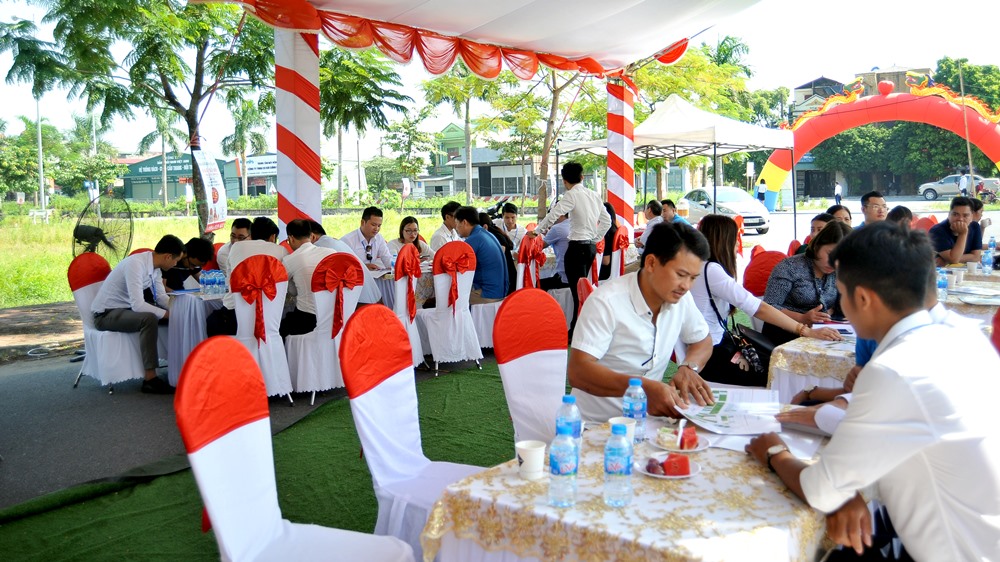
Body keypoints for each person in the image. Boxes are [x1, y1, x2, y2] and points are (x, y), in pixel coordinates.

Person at [747, 222, 1000, 561]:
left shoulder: (895, 369)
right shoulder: (964, 335)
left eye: (841, 292)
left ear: (863, 298)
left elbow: (820, 491)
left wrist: (774, 451)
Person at [568, 221, 715, 422]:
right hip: (598, 426)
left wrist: (689, 367)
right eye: (681, 275)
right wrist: (641, 387)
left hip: (648, 423)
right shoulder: (606, 302)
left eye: (693, 278)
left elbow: (702, 341)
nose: (686, 286)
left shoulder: (681, 298)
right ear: (651, 263)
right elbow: (579, 372)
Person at [692, 215, 841, 387]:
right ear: (724, 242)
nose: (737, 247)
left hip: (711, 347)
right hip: (711, 353)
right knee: (779, 376)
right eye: (735, 241)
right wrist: (804, 330)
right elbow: (759, 308)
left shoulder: (704, 268)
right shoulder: (712, 271)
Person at [91, 234, 184, 394]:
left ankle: (180, 367)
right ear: (168, 257)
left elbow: (161, 297)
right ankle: (150, 379)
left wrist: (179, 310)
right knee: (149, 318)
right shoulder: (135, 264)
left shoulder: (155, 269)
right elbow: (138, 305)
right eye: (176, 260)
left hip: (125, 311)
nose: (176, 264)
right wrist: (167, 314)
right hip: (106, 314)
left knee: (171, 316)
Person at [529, 162, 612, 330]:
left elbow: (554, 214)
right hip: (590, 248)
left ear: (565, 180)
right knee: (583, 291)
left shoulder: (571, 195)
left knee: (578, 293)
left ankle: (577, 330)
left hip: (576, 248)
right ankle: (581, 327)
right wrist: (595, 238)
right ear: (582, 177)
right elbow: (607, 221)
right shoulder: (594, 195)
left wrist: (537, 231)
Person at [762, 221, 852, 346]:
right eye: (831, 254)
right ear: (817, 246)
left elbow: (843, 308)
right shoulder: (789, 267)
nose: (835, 263)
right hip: (784, 337)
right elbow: (768, 306)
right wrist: (801, 318)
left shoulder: (840, 271)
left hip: (824, 336)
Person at [207, 217, 288, 337]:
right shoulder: (281, 251)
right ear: (273, 237)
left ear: (252, 234)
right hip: (267, 315)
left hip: (234, 313)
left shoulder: (235, 248)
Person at [280, 219, 335, 337]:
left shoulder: (289, 260)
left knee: (280, 328)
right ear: (311, 236)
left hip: (308, 319)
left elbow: (293, 292)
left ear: (291, 238)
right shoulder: (332, 253)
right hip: (334, 316)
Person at [310, 220, 382, 304]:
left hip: (361, 303)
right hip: (374, 297)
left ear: (312, 237)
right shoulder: (332, 242)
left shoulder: (320, 247)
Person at [454, 206, 508, 303]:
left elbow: (457, 265)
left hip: (487, 294)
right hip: (501, 291)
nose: (456, 228)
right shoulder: (488, 234)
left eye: (457, 224)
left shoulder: (473, 240)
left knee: (452, 300)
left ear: (464, 222)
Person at [929, 196, 983, 266]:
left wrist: (946, 260)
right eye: (955, 214)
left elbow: (976, 257)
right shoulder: (937, 231)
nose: (960, 219)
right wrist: (963, 233)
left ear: (972, 216)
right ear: (949, 214)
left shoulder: (975, 226)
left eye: (965, 215)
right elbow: (954, 259)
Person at [342, 206, 392, 271]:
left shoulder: (379, 238)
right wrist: (363, 267)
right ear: (363, 223)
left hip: (373, 277)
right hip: (355, 278)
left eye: (379, 226)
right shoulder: (348, 240)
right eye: (373, 225)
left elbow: (387, 258)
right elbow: (343, 265)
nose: (376, 229)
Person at [479, 212, 516, 295]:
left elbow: (496, 257)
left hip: (507, 280)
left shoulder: (495, 236)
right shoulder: (495, 232)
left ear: (484, 226)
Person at [539, 214, 570, 290]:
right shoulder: (576, 225)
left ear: (560, 214)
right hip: (579, 276)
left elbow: (539, 246)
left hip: (564, 278)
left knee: (536, 285)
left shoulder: (557, 228)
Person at [598, 202, 619, 281]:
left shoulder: (606, 234)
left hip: (604, 274)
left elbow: (606, 261)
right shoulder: (616, 231)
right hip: (615, 272)